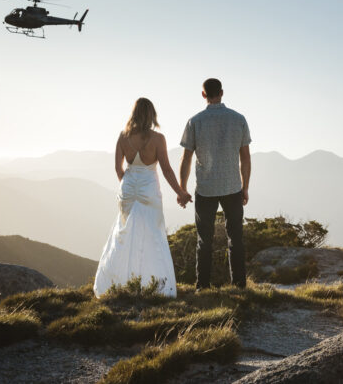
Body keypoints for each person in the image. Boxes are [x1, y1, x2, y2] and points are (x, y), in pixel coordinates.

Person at [94, 98, 192, 298]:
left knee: (125, 233)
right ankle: (154, 285)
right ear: (152, 115)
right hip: (148, 188)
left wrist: (127, 183)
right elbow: (166, 169)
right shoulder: (158, 139)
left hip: (128, 188)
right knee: (152, 235)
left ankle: (119, 284)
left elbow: (117, 168)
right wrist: (180, 192)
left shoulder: (123, 137)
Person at [179, 78, 251, 290]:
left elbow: (186, 158)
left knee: (204, 240)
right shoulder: (239, 119)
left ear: (203, 95)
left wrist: (182, 189)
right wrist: (245, 187)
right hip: (232, 187)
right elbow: (245, 158)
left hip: (206, 188)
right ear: (222, 92)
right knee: (235, 238)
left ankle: (202, 286)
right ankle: (239, 285)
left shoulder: (195, 121)